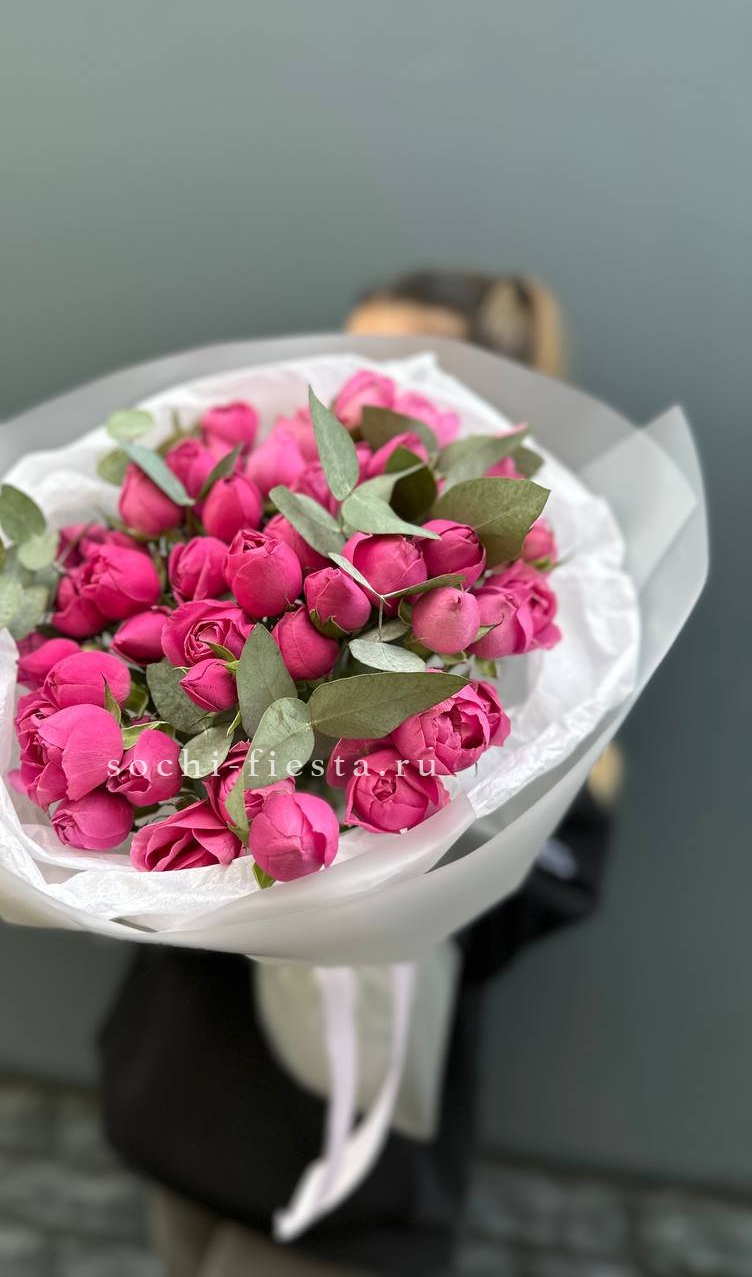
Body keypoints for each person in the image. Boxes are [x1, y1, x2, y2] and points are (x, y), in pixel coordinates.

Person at [97, 269, 621, 1277]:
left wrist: (402, 856)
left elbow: (551, 887)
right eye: (348, 361)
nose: (355, 398)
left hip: (352, 1156)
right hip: (185, 1086)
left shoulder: (551, 645)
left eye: (394, 370)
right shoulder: (235, 537)